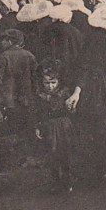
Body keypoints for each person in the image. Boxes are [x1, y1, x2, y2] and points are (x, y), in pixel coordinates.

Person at [67, 4, 106, 183]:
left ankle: (103, 170)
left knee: (103, 127)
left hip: (104, 85)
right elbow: (86, 65)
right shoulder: (103, 39)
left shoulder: (99, 36)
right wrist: (77, 91)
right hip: (103, 89)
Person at [34, 59, 75, 192]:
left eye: (53, 83)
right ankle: (56, 180)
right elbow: (38, 113)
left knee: (65, 152)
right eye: (47, 83)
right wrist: (38, 126)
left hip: (63, 125)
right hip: (48, 126)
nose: (50, 86)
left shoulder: (65, 93)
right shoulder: (40, 96)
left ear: (58, 81)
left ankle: (67, 180)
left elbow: (72, 110)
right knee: (51, 154)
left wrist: (70, 108)